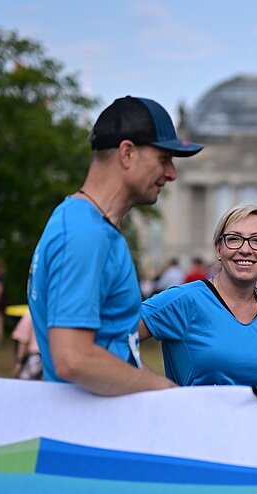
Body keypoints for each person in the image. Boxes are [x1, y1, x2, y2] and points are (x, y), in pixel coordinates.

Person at [29, 95, 202, 395]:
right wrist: (167, 394)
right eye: (164, 159)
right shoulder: (84, 233)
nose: (172, 174)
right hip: (87, 431)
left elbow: (120, 349)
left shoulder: (95, 227)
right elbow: (73, 358)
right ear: (127, 153)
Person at [138, 204, 257, 386]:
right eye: (234, 239)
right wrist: (160, 389)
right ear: (219, 249)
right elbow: (115, 335)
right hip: (193, 415)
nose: (245, 249)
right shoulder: (184, 300)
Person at [11, 312, 42, 380]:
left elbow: (23, 340)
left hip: (34, 358)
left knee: (24, 385)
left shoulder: (30, 314)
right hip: (50, 358)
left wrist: (18, 362)